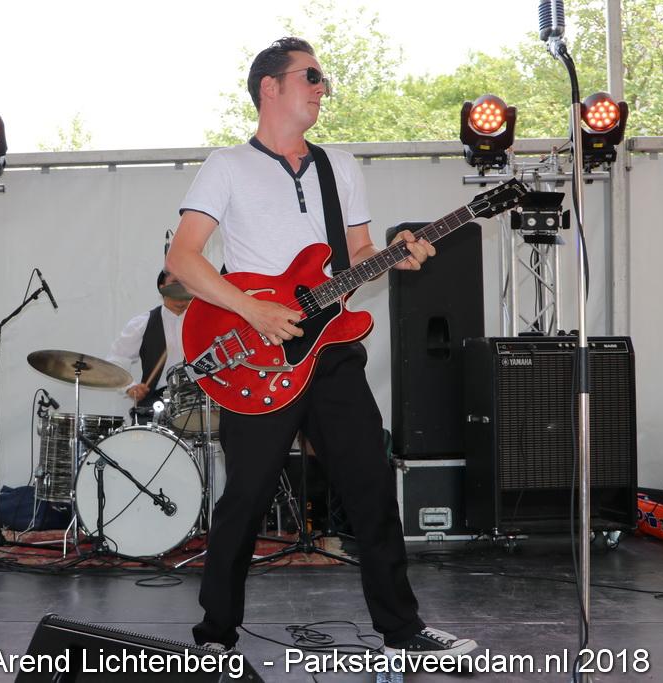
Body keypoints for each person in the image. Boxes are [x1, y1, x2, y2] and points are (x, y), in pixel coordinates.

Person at [165, 37, 477, 659]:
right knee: (244, 502)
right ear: (269, 87)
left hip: (331, 354)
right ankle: (214, 638)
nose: (322, 87)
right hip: (260, 353)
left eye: (323, 79)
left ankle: (402, 631)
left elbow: (358, 256)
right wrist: (251, 308)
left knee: (372, 488)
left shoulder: (340, 166)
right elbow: (183, 258)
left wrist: (395, 256)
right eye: (310, 76)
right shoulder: (227, 165)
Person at [107, 270, 191, 414]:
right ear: (162, 288)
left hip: (197, 400)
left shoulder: (206, 323)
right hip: (157, 402)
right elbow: (116, 360)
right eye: (175, 284)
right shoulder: (143, 323)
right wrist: (130, 387)